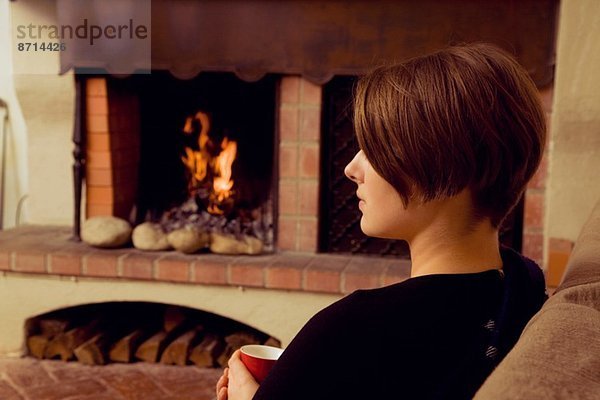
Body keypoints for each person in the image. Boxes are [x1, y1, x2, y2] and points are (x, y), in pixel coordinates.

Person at [216, 42, 547, 400]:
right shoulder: (525, 291)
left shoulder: (352, 330)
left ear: (449, 167)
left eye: (375, 149)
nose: (351, 168)